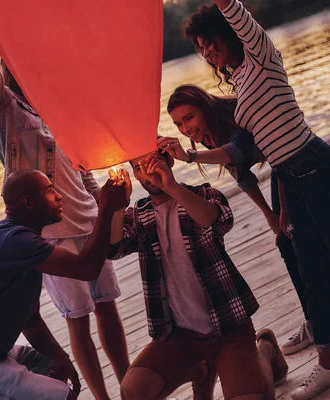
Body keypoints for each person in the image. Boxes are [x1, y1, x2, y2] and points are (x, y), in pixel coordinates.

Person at [184, 1, 330, 398]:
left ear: (227, 33)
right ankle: (329, 363)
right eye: (200, 48)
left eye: (209, 42)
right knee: (313, 272)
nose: (207, 52)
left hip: (320, 169)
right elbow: (236, 151)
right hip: (292, 181)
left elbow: (235, 11)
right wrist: (188, 156)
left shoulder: (261, 56)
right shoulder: (242, 82)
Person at [0, 2, 130, 398]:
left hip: (89, 218)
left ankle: (131, 389)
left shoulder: (57, 102)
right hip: (50, 231)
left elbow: (83, 164)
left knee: (108, 306)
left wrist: (107, 209)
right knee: (78, 320)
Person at [158, 84, 330, 357]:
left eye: (189, 118)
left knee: (324, 242)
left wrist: (189, 157)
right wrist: (270, 215)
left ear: (204, 107)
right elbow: (242, 175)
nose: (185, 129)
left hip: (300, 163)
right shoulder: (207, 135)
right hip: (283, 171)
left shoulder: (236, 115)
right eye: (178, 124)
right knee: (287, 244)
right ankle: (315, 321)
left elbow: (237, 152)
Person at [0, 170, 128, 400]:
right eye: (50, 191)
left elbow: (31, 322)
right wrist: (105, 209)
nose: (59, 196)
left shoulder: (19, 240)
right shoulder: (15, 242)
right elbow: (86, 268)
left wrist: (62, 358)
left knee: (52, 370)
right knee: (62, 396)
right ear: (28, 203)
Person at [108, 149, 288, 400]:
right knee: (132, 389)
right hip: (179, 336)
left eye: (153, 163)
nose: (148, 172)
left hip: (229, 330)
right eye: (139, 168)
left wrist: (171, 187)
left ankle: (265, 349)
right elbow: (113, 248)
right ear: (134, 175)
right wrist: (116, 205)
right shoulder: (139, 215)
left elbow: (216, 219)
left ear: (168, 160)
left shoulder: (203, 195)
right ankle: (201, 371)